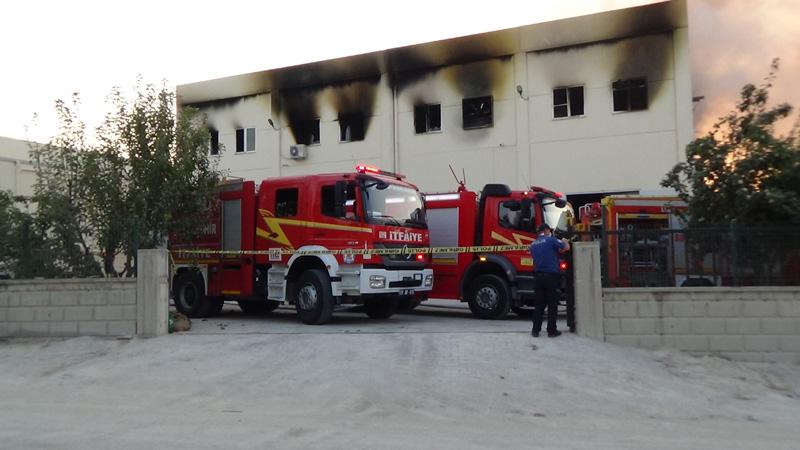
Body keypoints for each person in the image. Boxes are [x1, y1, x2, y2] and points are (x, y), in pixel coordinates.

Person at [529, 223, 570, 337]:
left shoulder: (533, 244)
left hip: (538, 277)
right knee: (552, 304)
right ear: (547, 230)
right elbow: (566, 248)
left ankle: (535, 330)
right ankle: (551, 331)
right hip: (551, 276)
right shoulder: (551, 240)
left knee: (539, 305)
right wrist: (565, 240)